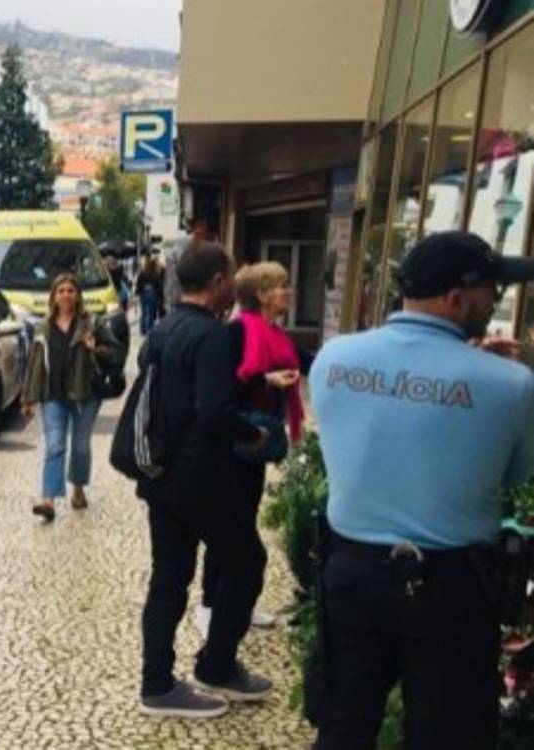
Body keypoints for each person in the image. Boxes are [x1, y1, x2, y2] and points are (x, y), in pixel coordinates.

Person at [307, 232, 534, 749]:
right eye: (493, 291)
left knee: (343, 727)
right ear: (456, 299)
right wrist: (480, 370)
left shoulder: (333, 358)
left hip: (351, 575)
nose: (495, 302)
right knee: (448, 735)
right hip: (453, 588)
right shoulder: (512, 384)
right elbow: (515, 475)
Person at [135, 243, 273, 719]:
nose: (234, 286)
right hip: (203, 479)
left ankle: (156, 683)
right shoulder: (214, 337)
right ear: (217, 281)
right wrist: (252, 432)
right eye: (231, 277)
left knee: (169, 578)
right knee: (248, 561)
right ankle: (217, 666)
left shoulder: (162, 329)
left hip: (161, 476)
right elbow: (215, 413)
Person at [191, 262, 302, 639]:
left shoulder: (276, 333)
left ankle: (240, 599)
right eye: (281, 286)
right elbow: (225, 388)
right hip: (235, 440)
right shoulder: (238, 331)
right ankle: (209, 604)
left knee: (246, 519)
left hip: (259, 442)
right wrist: (266, 379)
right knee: (227, 526)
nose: (288, 292)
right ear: (262, 295)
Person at [20, 273, 121, 518]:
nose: (66, 295)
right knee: (55, 444)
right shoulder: (43, 327)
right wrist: (28, 398)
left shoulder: (92, 323)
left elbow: (115, 352)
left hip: (85, 394)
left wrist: (94, 348)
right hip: (52, 395)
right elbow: (35, 364)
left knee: (80, 446)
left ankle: (78, 487)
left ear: (78, 296)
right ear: (54, 297)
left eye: (70, 290)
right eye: (61, 291)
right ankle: (49, 500)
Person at [135, 256, 165, 336]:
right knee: (151, 312)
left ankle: (143, 330)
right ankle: (149, 330)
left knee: (144, 312)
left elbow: (138, 283)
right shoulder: (154, 274)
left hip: (143, 294)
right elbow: (158, 284)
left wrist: (138, 291)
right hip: (152, 294)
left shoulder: (142, 272)